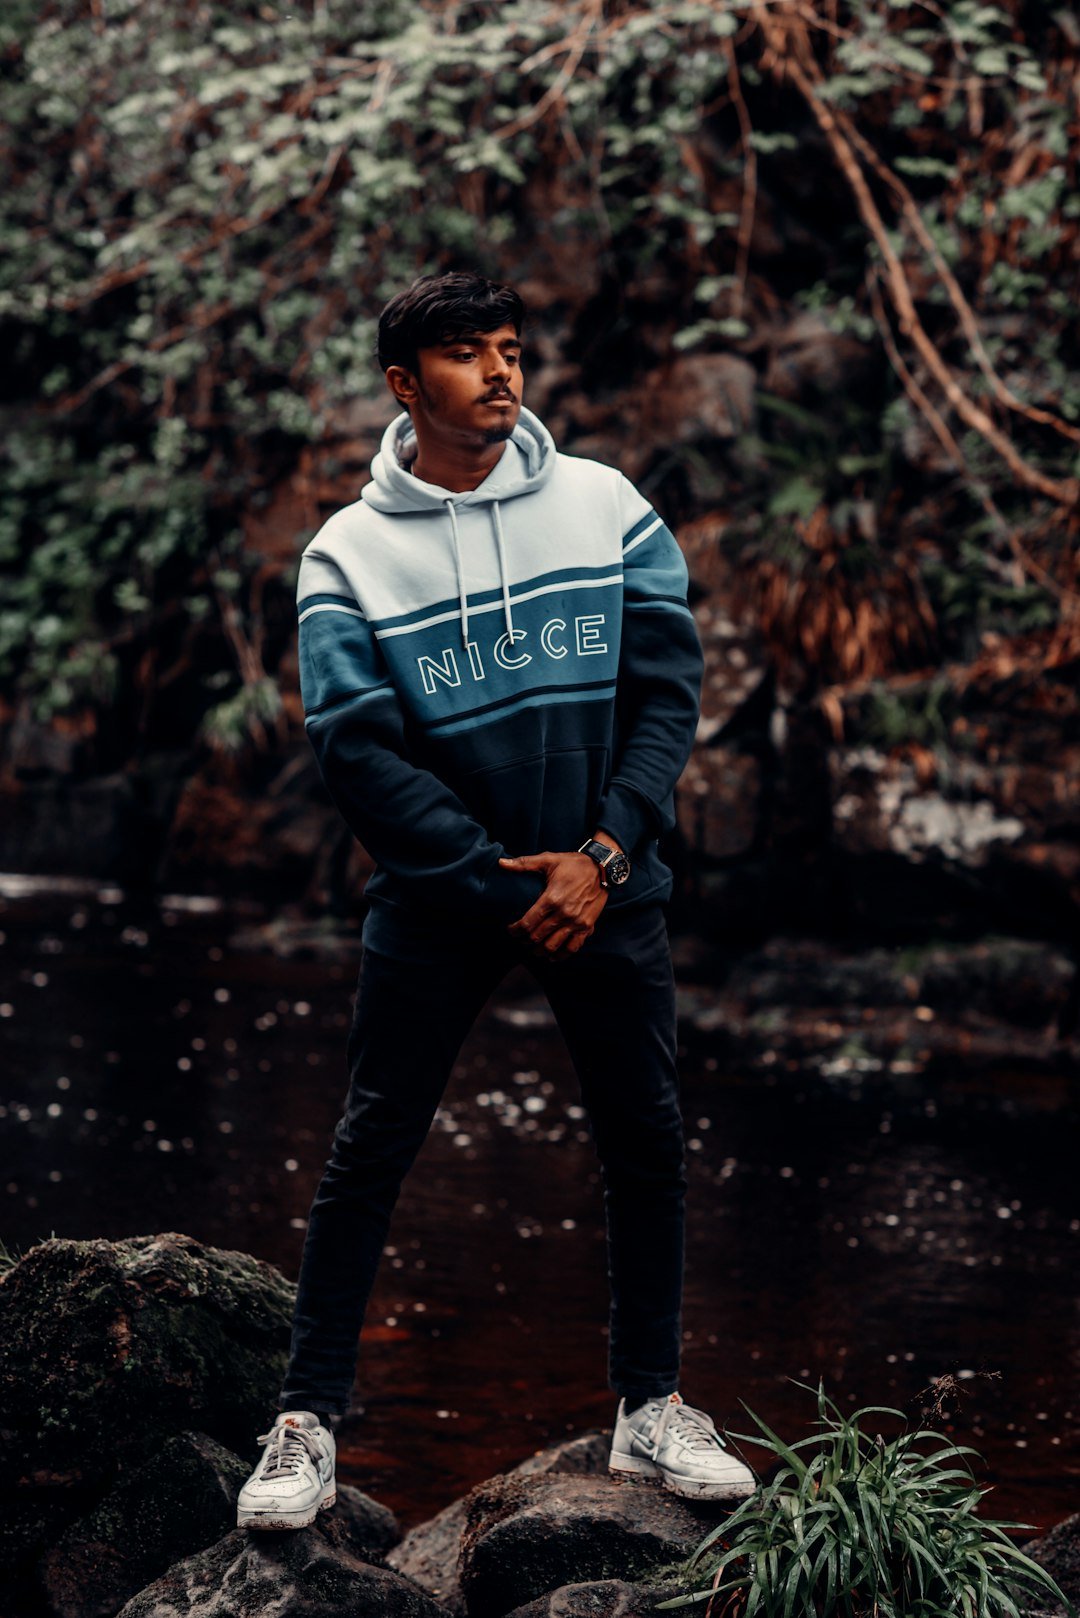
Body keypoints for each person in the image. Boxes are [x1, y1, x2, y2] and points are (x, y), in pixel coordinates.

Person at [236, 270, 755, 1531]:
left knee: (646, 1139)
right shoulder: (345, 553)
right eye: (470, 355)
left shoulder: (606, 506)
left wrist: (604, 856)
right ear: (407, 385)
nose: (504, 372)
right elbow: (355, 747)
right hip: (441, 896)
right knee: (372, 1147)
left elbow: (666, 695)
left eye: (512, 349)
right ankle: (306, 1423)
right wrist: (488, 883)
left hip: (604, 877)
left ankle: (649, 1409)